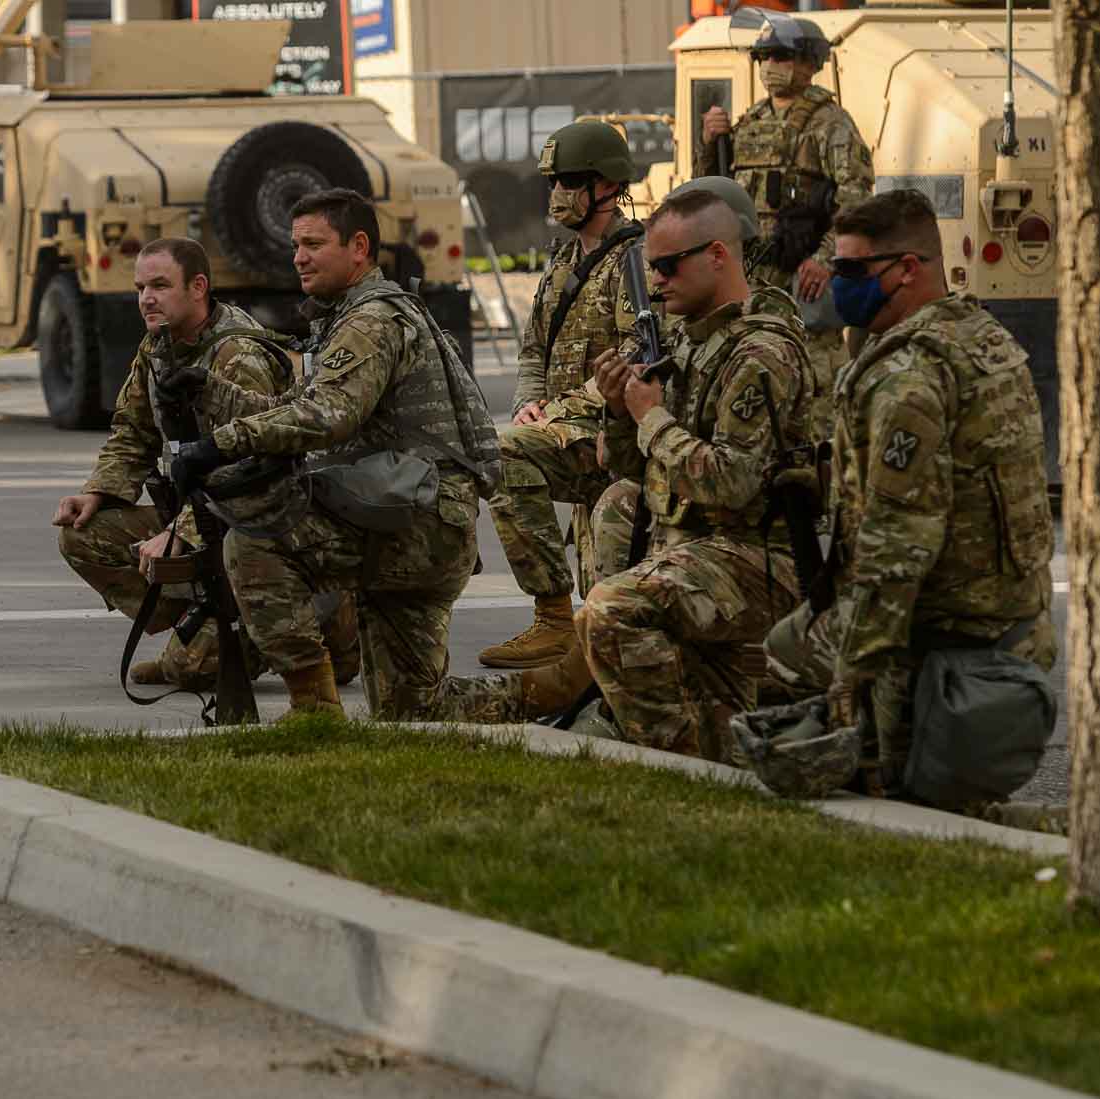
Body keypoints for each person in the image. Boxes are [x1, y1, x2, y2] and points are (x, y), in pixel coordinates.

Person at [433, 182, 815, 757]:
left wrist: (650, 415)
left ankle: (673, 755)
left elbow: (732, 484)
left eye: (667, 266)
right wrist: (618, 413)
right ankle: (652, 718)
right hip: (697, 545)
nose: (656, 281)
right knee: (617, 512)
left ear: (717, 256)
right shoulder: (690, 342)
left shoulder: (760, 353)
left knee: (612, 609)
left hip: (757, 554)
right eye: (651, 268)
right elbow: (634, 467)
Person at [761, 189, 1056, 802]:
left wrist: (853, 679)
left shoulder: (908, 379)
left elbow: (898, 547)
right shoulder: (977, 335)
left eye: (851, 271)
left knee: (783, 654)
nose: (837, 285)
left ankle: (878, 773)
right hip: (1011, 617)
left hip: (946, 629)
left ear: (907, 270)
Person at [167, 188, 497, 720]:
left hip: (417, 522)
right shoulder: (350, 315)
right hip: (416, 514)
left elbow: (329, 415)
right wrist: (209, 388)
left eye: (314, 244)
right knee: (412, 709)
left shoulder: (371, 320)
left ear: (359, 246)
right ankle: (553, 689)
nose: (298, 256)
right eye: (296, 244)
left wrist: (220, 443)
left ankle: (313, 712)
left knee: (254, 544)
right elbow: (296, 405)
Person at [53, 238, 354, 690]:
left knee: (195, 671)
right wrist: (97, 492)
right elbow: (132, 432)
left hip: (257, 522)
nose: (146, 299)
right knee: (83, 538)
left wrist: (180, 532)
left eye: (159, 285)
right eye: (140, 288)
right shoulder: (159, 345)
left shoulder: (238, 356)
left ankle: (328, 625)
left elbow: (257, 471)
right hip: (201, 513)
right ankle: (202, 623)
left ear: (198, 287)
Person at [480, 120, 645, 670]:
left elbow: (633, 360)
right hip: (564, 429)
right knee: (505, 455)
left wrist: (552, 414)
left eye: (570, 180)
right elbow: (533, 350)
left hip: (612, 434)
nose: (557, 193)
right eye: (552, 180)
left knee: (611, 592)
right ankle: (554, 621)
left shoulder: (634, 261)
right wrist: (529, 402)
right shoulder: (561, 261)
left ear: (606, 186)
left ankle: (568, 634)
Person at [699, 14, 872, 424]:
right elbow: (713, 188)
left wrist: (826, 258)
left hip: (801, 276)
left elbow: (857, 198)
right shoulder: (751, 122)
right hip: (753, 277)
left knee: (815, 389)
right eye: (764, 57)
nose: (769, 66)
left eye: (780, 56)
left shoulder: (831, 124)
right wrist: (710, 143)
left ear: (809, 63)